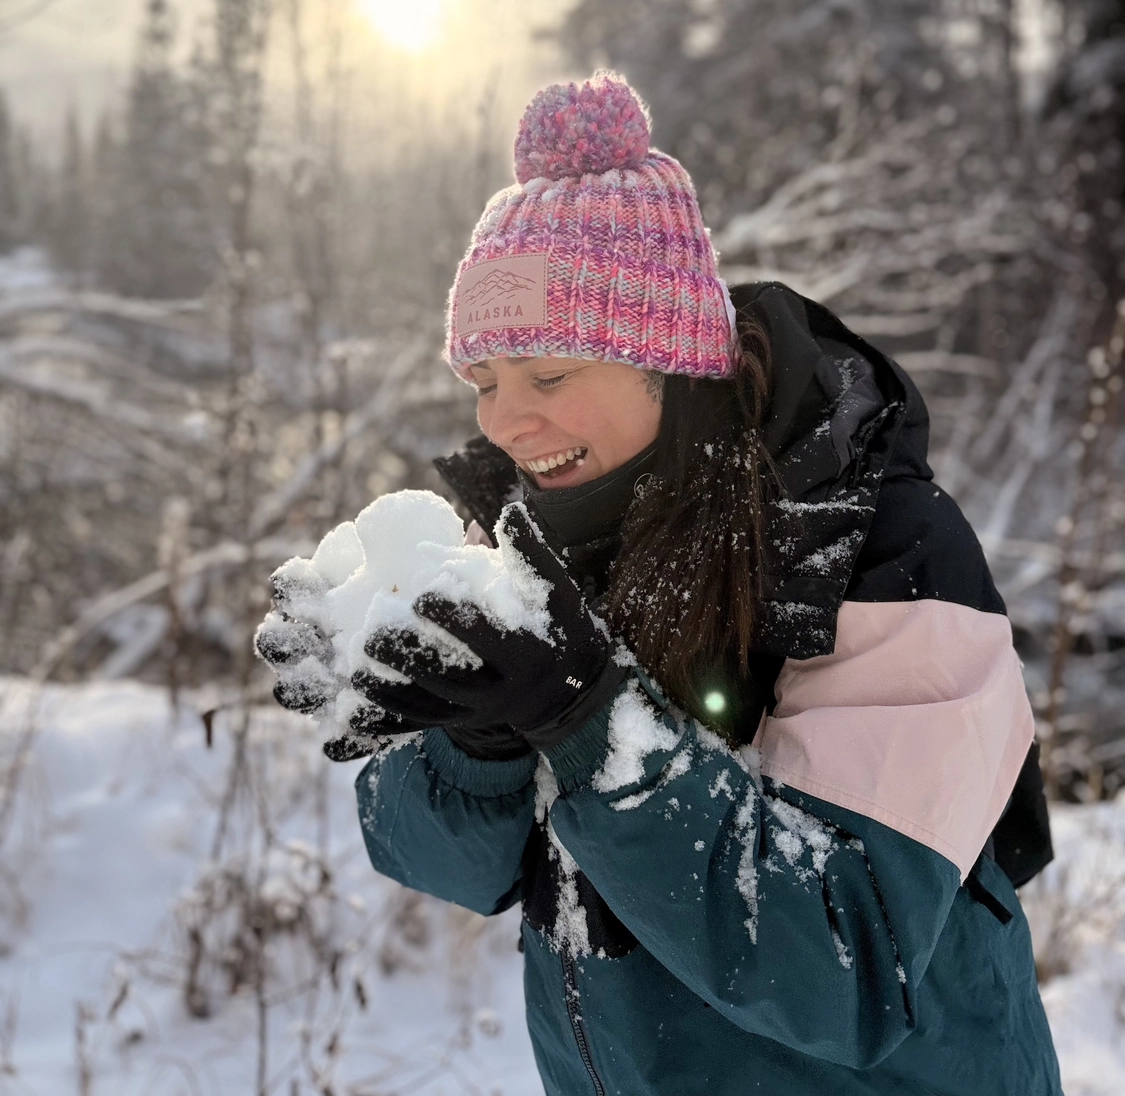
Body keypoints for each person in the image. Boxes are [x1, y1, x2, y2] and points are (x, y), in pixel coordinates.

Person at [259, 72, 1062, 1096]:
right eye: (484, 382)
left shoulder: (878, 544)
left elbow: (843, 957)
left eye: (549, 375)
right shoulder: (528, 544)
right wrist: (482, 734)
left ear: (666, 358)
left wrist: (585, 720)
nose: (505, 422)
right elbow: (448, 867)